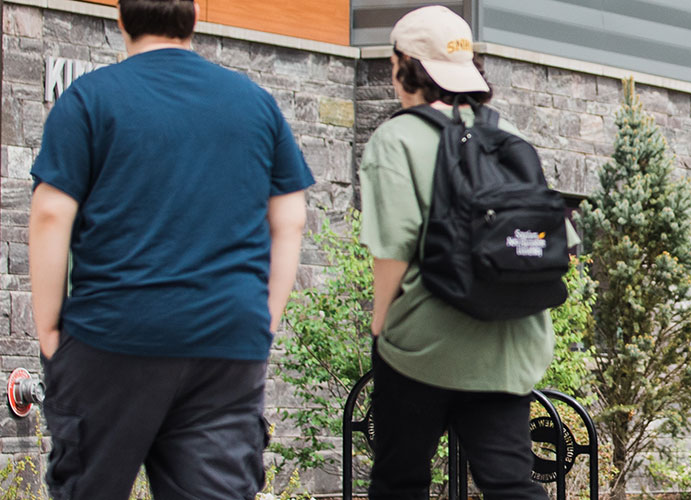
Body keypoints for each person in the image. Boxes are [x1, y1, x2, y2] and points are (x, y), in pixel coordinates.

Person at [25, 0, 314, 496]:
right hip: (225, 343)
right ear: (196, 17)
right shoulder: (253, 101)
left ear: (121, 19)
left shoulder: (89, 99)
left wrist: (50, 329)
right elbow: (290, 217)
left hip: (111, 337)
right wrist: (263, 319)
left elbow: (51, 213)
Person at [357, 6, 559, 499]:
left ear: (404, 66)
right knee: (511, 484)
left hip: (422, 349)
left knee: (399, 482)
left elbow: (394, 246)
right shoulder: (507, 134)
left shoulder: (397, 138)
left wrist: (381, 326)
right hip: (510, 343)